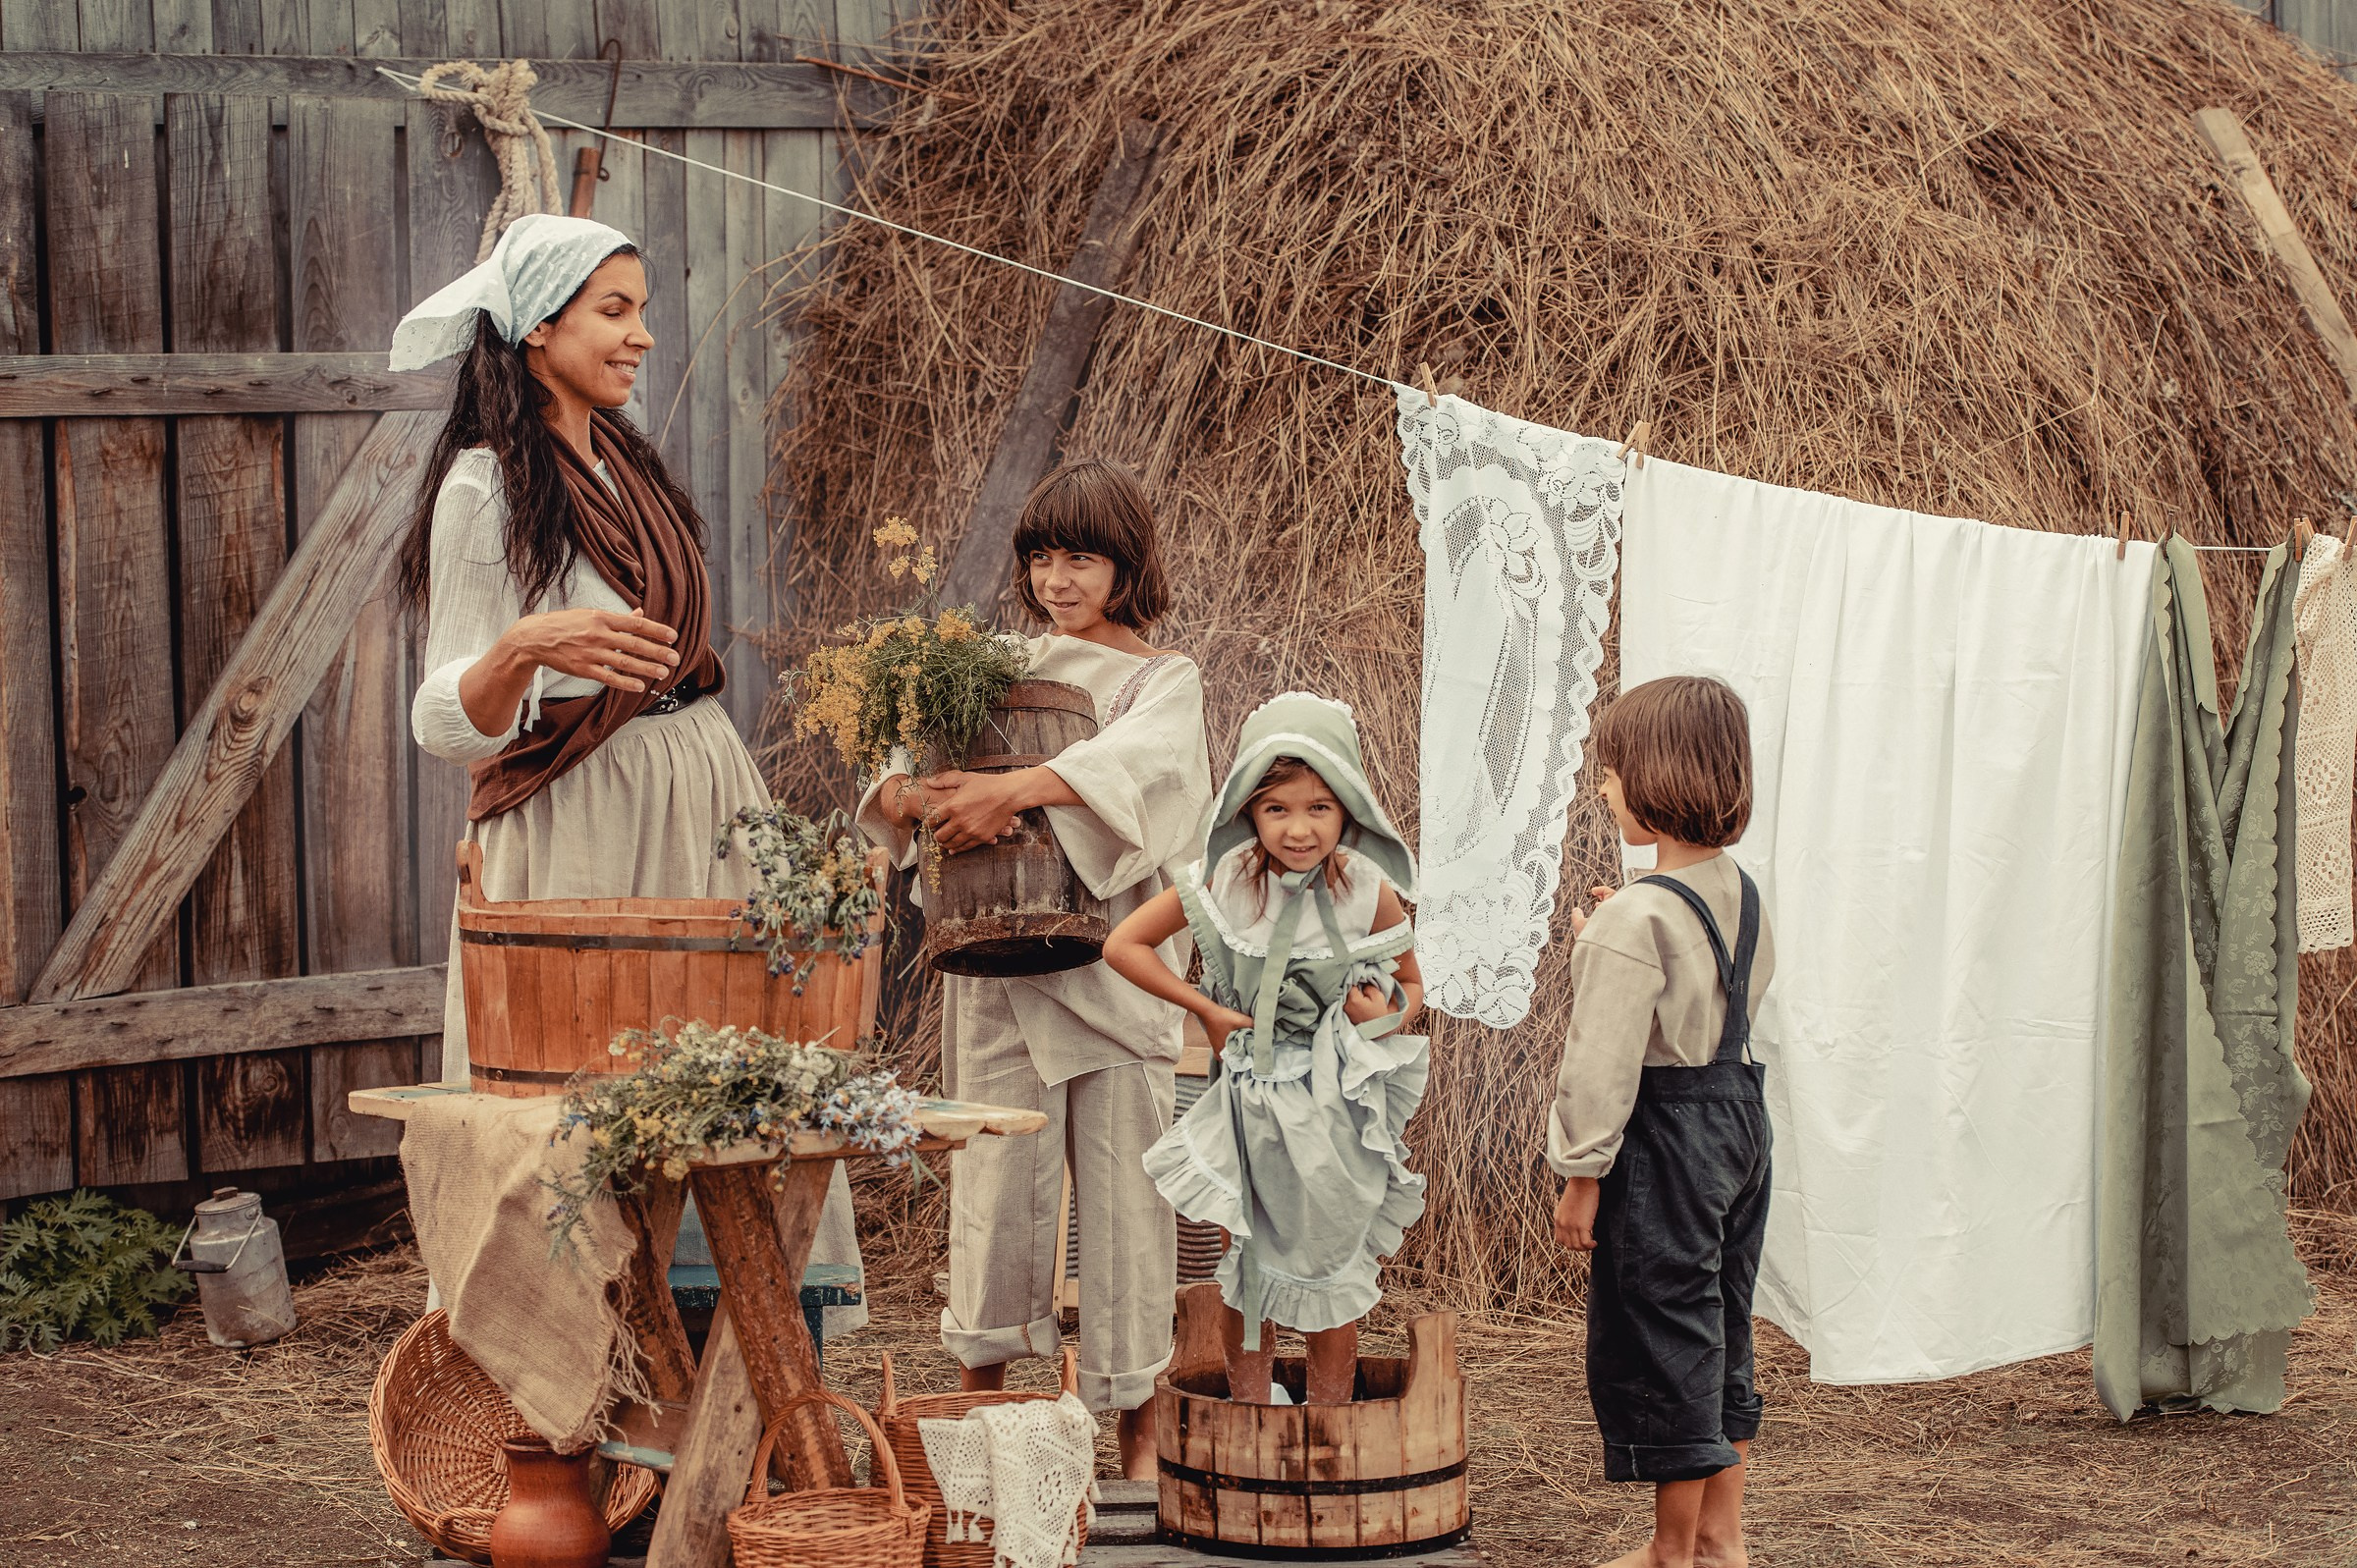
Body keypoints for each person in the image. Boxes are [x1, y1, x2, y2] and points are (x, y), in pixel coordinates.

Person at [392, 213, 863, 1331]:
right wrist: (526, 646)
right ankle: (575, 1382)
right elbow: (439, 718)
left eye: (643, 308)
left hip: (697, 799)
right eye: (616, 309)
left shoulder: (627, 465)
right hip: (582, 825)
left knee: (729, 1079)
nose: (643, 335)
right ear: (536, 328)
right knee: (591, 1099)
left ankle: (716, 1358)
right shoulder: (485, 490)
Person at [855, 459, 1212, 1478]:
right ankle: (981, 1424)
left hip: (1112, 969)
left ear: (1127, 563)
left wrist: (1018, 791)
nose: (1058, 578)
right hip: (998, 960)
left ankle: (1135, 1434)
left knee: (1128, 1207)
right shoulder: (986, 658)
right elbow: (894, 748)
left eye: (1083, 558)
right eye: (1043, 556)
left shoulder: (1161, 677)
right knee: (995, 1189)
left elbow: (1149, 776)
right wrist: (911, 795)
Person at [1106, 691, 1428, 1407]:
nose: (1299, 827)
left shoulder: (1367, 892)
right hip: (1250, 1101)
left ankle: (1331, 1421)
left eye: (1319, 806)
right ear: (1247, 809)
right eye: (1277, 807)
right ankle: (1249, 1414)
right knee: (1246, 1262)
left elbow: (1411, 987)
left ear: (1347, 805)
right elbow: (1122, 944)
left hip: (1334, 1106)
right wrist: (1209, 1011)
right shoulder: (1223, 882)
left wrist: (1380, 1016)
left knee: (1329, 1261)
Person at [1548, 676, 1776, 1568]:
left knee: (1663, 1328)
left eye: (1610, 774)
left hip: (1666, 1136)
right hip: (1740, 1119)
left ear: (1655, 778)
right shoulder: (1740, 891)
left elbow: (1601, 1060)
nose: (1604, 790)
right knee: (1721, 1317)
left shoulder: (1635, 915)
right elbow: (1717, 999)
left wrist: (1581, 1175)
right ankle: (1725, 1536)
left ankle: (1669, 1552)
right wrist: (1607, 932)